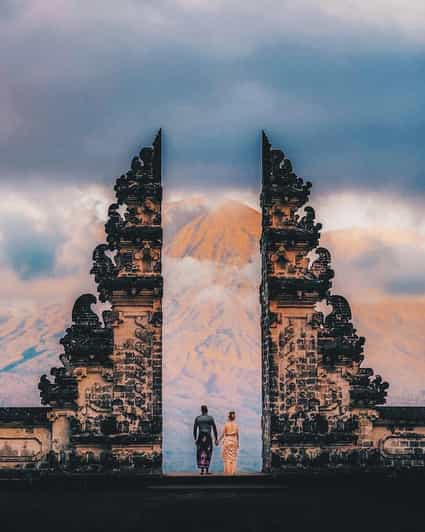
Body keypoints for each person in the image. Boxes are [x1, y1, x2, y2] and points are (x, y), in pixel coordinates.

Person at [193, 405, 218, 475]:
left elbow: (194, 429)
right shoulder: (210, 418)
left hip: (200, 437)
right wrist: (216, 439)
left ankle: (202, 470)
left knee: (200, 452)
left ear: (201, 410)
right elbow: (214, 429)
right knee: (208, 452)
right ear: (207, 410)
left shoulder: (198, 418)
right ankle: (207, 470)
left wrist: (195, 439)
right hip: (208, 437)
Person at [219, 410, 239, 475]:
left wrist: (218, 441)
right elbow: (237, 434)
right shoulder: (236, 424)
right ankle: (232, 472)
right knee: (233, 457)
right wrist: (238, 443)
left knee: (227, 457)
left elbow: (223, 434)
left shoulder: (226, 424)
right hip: (234, 440)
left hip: (227, 440)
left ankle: (227, 472)